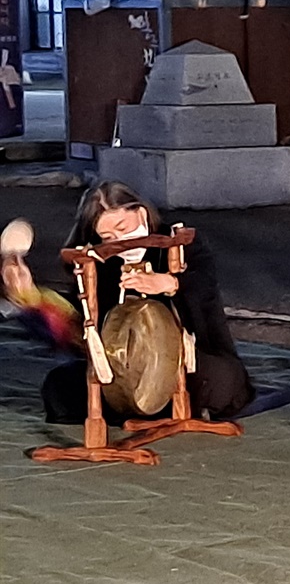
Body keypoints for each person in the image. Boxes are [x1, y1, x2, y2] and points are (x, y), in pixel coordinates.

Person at [2, 181, 254, 424]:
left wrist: (170, 283)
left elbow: (204, 285)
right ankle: (137, 410)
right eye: (108, 236)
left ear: (141, 213)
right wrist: (29, 296)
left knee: (219, 381)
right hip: (124, 374)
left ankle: (159, 409)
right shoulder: (101, 261)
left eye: (123, 228)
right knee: (59, 386)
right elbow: (78, 325)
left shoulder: (180, 244)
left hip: (188, 365)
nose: (118, 241)